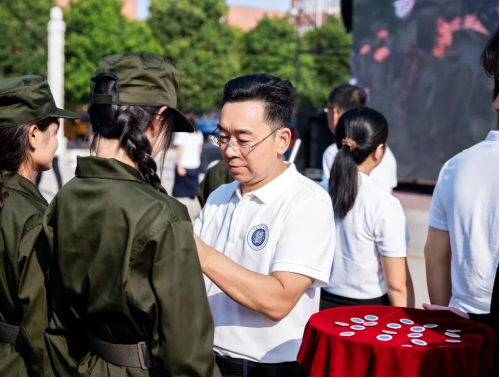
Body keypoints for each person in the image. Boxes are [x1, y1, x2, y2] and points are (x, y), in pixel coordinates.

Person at [44, 52, 219, 377]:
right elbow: (189, 356)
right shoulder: (163, 214)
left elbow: (57, 320)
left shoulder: (67, 196)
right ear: (158, 119)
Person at [194, 74, 335, 377]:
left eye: (244, 141)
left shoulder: (308, 202)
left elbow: (278, 300)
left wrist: (202, 255)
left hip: (269, 368)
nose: (230, 150)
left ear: (282, 140)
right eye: (223, 137)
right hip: (208, 361)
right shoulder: (219, 196)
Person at [0, 75, 79, 377]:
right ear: (34, 135)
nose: (56, 143)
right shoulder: (31, 216)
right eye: (55, 132)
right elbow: (40, 328)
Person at [425, 29, 499, 318]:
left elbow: (435, 255)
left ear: (494, 99)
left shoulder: (454, 167)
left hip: (463, 326)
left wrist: (449, 322)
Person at [319, 107, 415, 310]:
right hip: (370, 314)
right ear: (378, 151)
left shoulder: (314, 193)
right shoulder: (384, 204)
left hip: (319, 306)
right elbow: (397, 286)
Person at [322, 85, 398, 192]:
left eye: (327, 110)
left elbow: (328, 193)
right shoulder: (386, 153)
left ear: (335, 113)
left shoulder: (332, 152)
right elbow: (389, 191)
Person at [173, 113, 204, 199]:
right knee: (195, 192)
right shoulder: (198, 133)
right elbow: (200, 150)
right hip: (194, 165)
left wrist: (179, 166)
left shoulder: (181, 133)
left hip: (183, 165)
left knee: (177, 192)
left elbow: (180, 150)